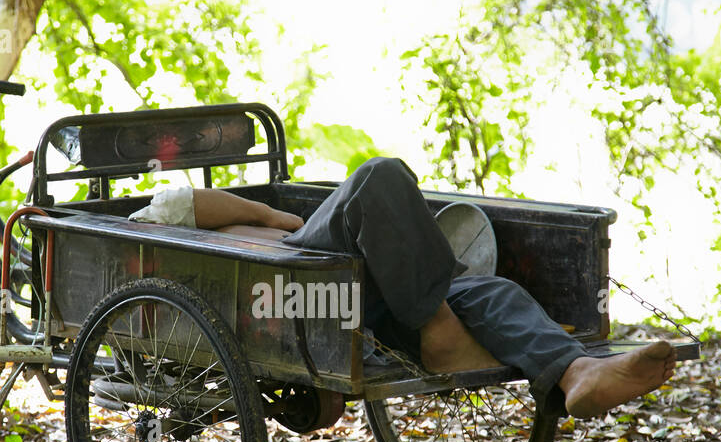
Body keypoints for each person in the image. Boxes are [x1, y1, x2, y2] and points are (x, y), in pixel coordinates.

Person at [128, 157, 676, 418]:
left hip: (361, 292)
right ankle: (440, 333)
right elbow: (183, 205)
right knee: (379, 177)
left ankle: (579, 373)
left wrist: (280, 218)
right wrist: (273, 217)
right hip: (291, 281)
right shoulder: (163, 230)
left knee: (488, 292)